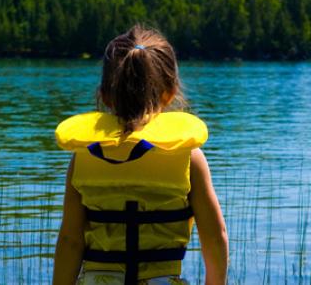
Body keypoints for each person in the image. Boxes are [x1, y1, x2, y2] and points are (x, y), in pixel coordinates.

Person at [52, 25, 228, 285]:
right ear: (170, 93)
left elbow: (70, 241)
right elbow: (215, 237)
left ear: (105, 96)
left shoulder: (85, 156)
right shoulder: (188, 156)